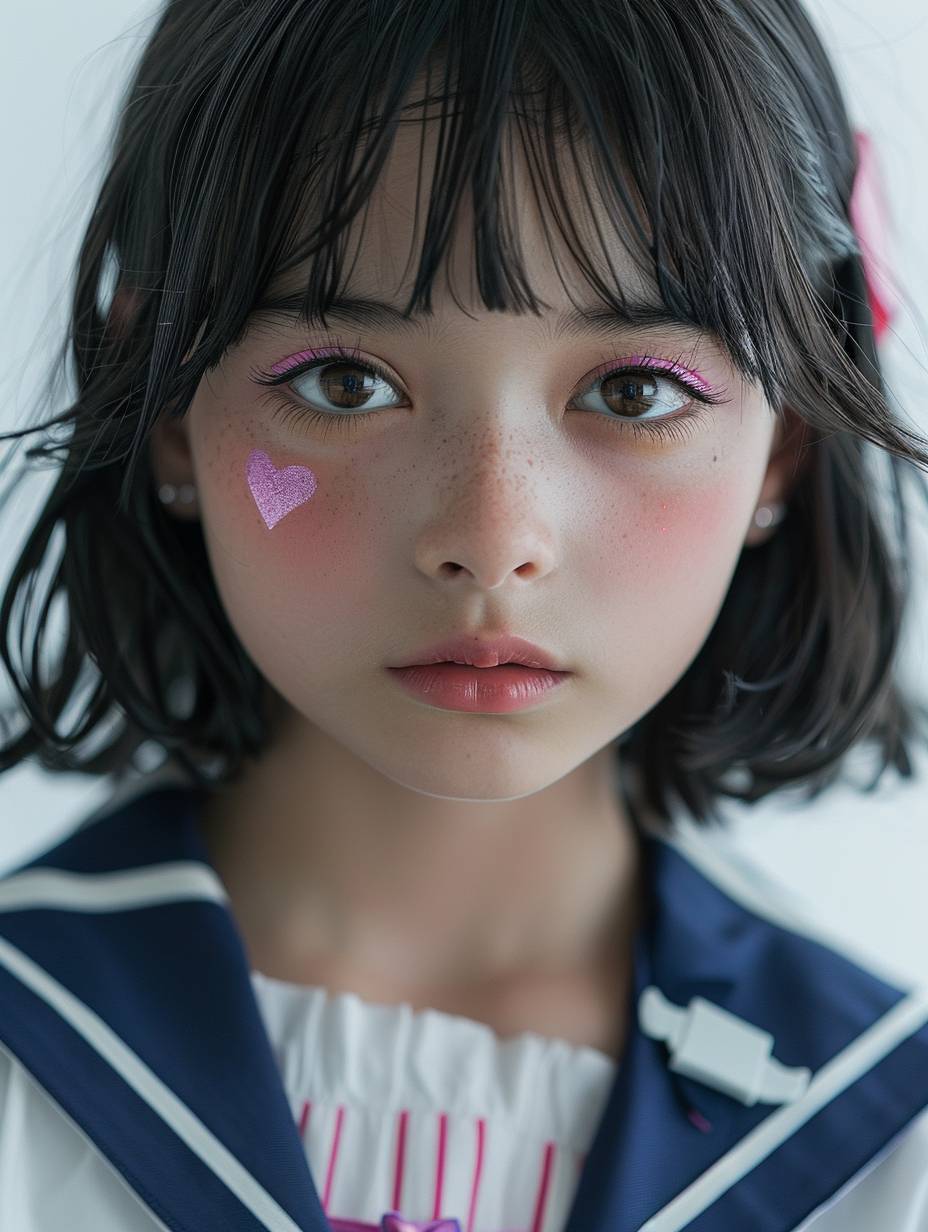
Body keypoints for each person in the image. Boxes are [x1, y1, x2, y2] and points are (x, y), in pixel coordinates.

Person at [0, 0, 927, 1228]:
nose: (492, 538)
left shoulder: (885, 1144)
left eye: (634, 387)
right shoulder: (30, 1051)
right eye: (346, 382)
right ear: (167, 403)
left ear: (783, 444)